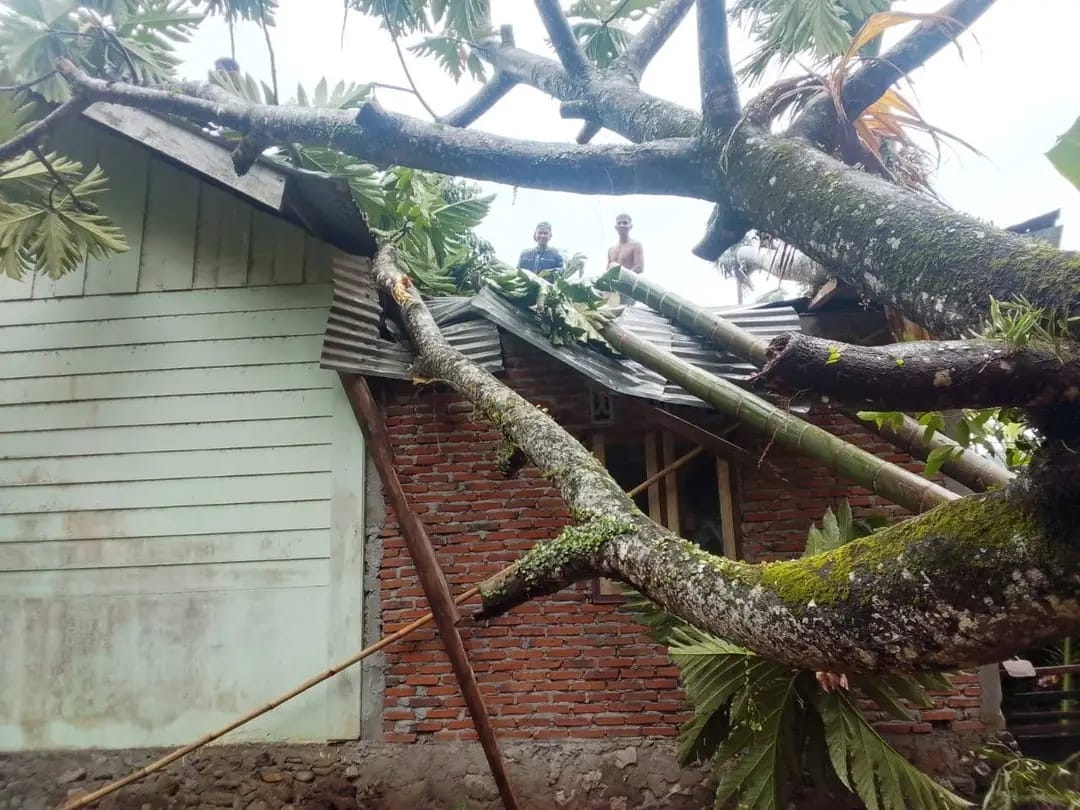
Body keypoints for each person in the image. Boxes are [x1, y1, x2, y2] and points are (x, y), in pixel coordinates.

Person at [607, 213, 644, 305]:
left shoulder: (636, 245)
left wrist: (622, 279)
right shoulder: (611, 249)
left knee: (625, 314)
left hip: (628, 289)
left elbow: (639, 267)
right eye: (619, 223)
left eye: (625, 223)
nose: (622, 225)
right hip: (613, 290)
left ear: (630, 226)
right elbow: (608, 269)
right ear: (616, 227)